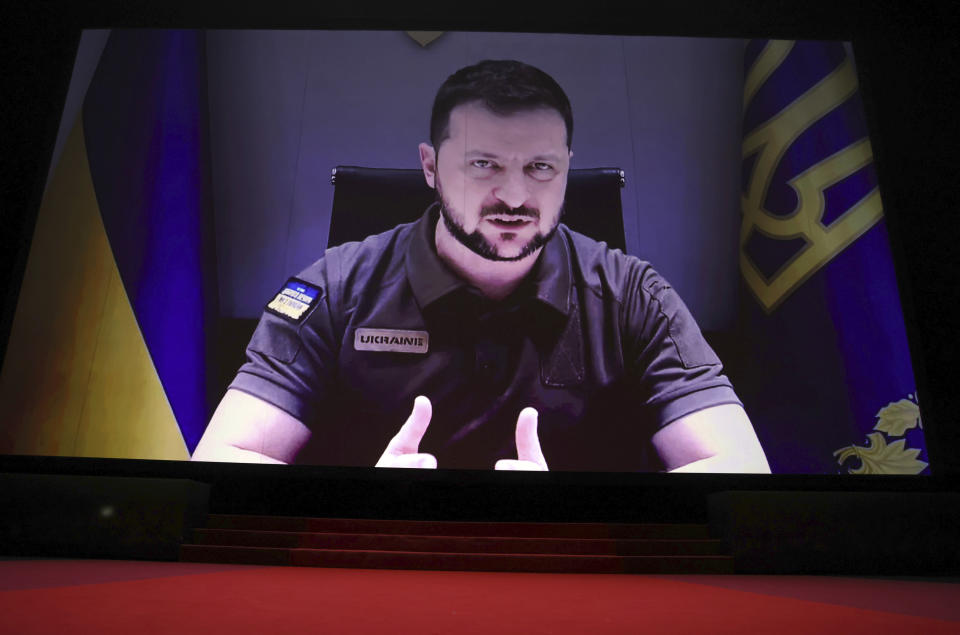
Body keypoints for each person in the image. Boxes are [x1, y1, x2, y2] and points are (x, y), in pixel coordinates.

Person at [192, 60, 770, 473]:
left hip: (572, 583)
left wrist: (568, 520)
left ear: (569, 166)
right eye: (483, 164)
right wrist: (362, 501)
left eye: (541, 167)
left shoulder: (634, 297)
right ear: (430, 167)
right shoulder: (335, 287)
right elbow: (223, 459)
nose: (514, 196)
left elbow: (739, 467)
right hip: (374, 572)